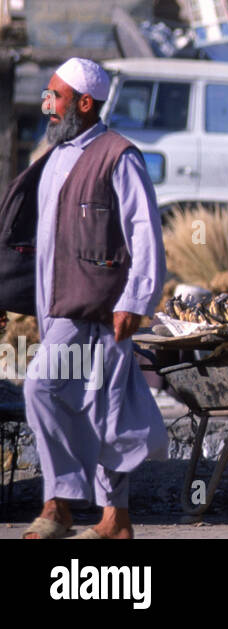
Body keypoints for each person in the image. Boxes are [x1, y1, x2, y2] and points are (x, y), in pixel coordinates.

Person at [0, 58, 167, 538]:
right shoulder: (52, 158)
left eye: (56, 95)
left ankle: (59, 505)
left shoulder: (120, 155)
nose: (47, 104)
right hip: (56, 307)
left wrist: (136, 299)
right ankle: (114, 519)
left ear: (85, 103)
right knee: (99, 410)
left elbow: (144, 233)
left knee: (44, 388)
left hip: (98, 309)